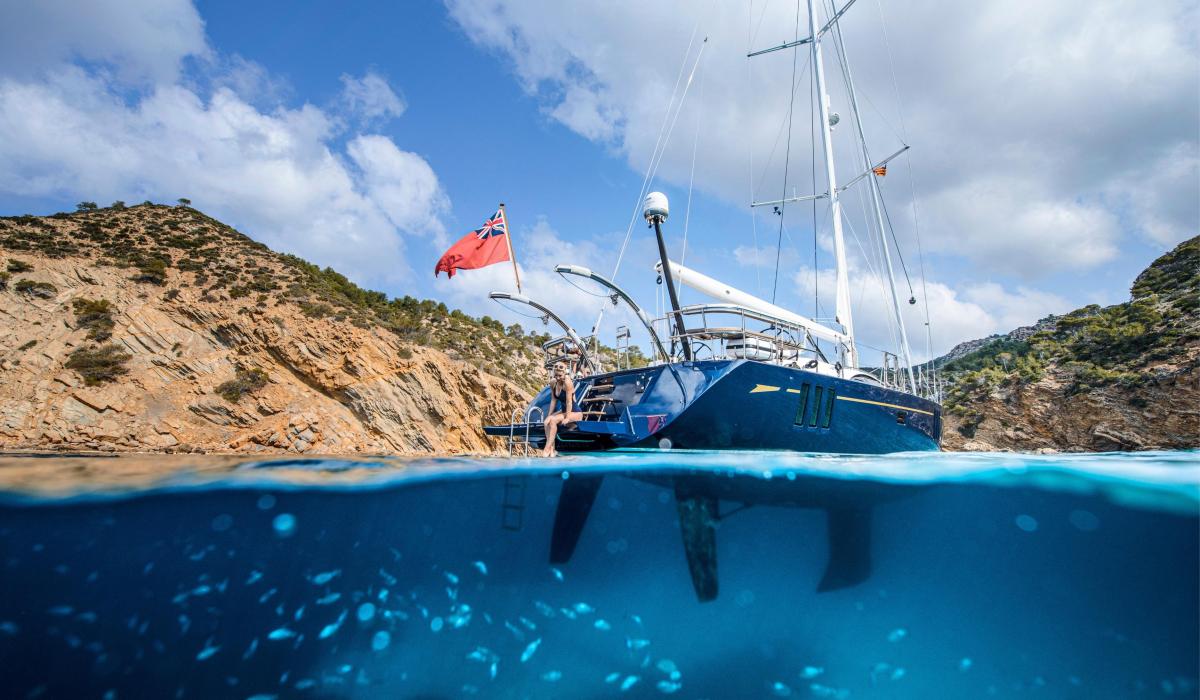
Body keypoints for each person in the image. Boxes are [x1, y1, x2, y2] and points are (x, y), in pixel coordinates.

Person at [542, 362, 582, 457]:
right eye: (556, 375)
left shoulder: (567, 383)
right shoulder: (553, 382)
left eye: (560, 375)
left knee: (553, 420)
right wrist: (549, 414)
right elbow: (553, 400)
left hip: (574, 411)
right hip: (564, 410)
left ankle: (547, 448)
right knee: (546, 421)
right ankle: (552, 449)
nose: (558, 376)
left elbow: (569, 402)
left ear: (564, 373)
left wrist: (567, 418)